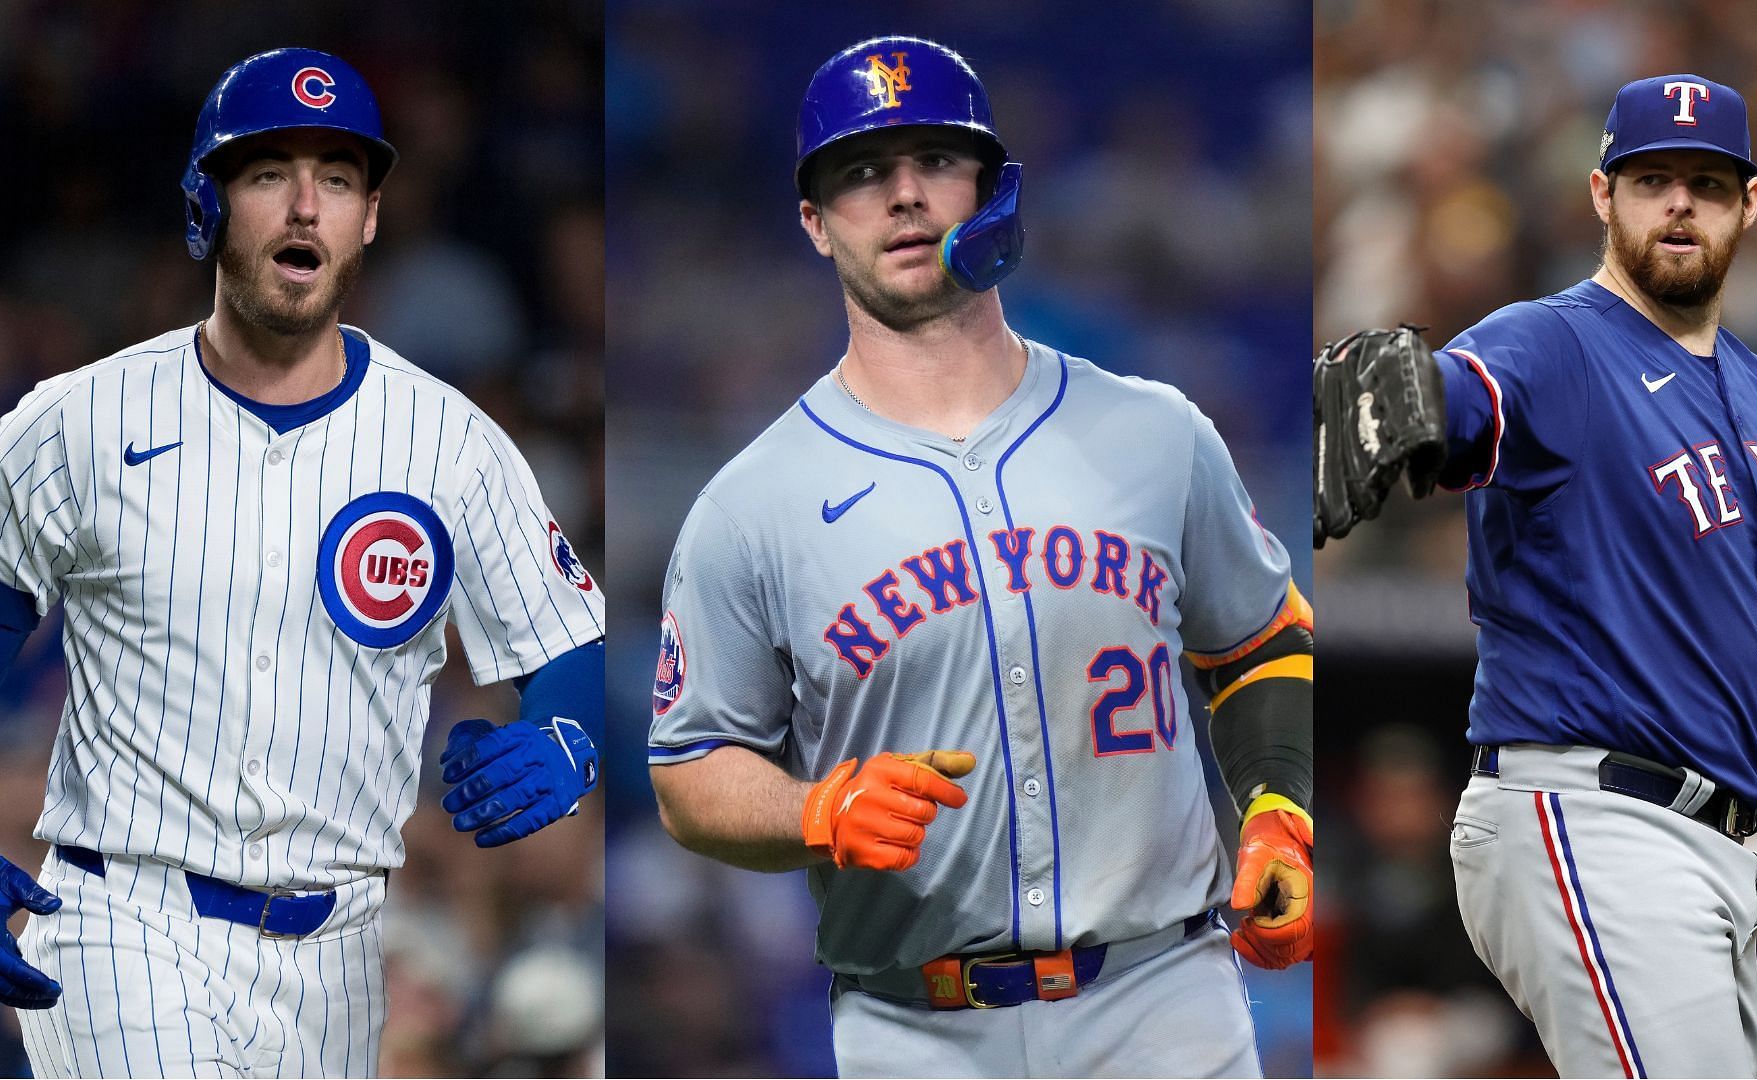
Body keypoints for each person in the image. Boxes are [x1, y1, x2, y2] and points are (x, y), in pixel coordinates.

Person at [647, 35, 1314, 1078]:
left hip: (1163, 999)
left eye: (935, 162)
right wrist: (812, 809)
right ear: (816, 223)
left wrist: (1278, 807)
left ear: (994, 191)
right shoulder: (750, 503)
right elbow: (691, 771)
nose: (905, 195)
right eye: (863, 173)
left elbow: (1264, 639)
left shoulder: (1156, 431)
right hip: (914, 1025)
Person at [0, 48, 606, 1077]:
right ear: (209, 203)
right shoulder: (80, 418)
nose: (304, 205)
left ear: (369, 217)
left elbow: (567, 643)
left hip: (348, 950)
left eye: (337, 178)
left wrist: (567, 737)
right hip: (125, 921)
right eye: (268, 172)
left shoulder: (447, 440)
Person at [1313, 73, 1757, 1077]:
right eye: (1652, 180)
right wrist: (1423, 391)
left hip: (1716, 849)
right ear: (1604, 195)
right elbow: (1463, 398)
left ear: (1750, 203)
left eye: (1707, 183)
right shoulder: (1551, 343)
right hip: (1588, 816)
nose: (1679, 203)